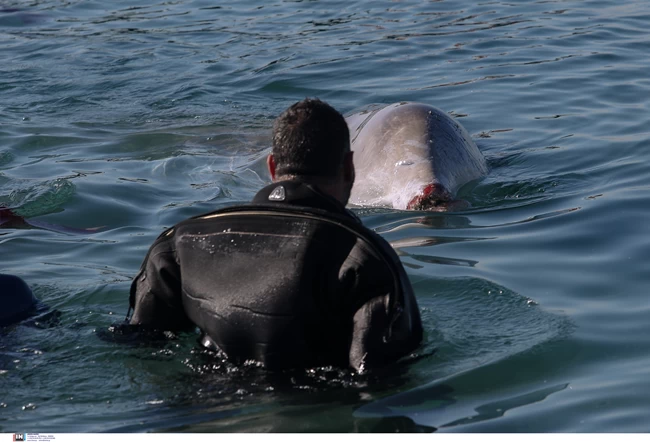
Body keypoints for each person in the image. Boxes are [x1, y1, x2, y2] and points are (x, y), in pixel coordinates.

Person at [127, 98, 422, 372]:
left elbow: (140, 347)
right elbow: (378, 374)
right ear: (348, 168)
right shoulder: (362, 256)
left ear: (271, 166)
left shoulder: (179, 241)